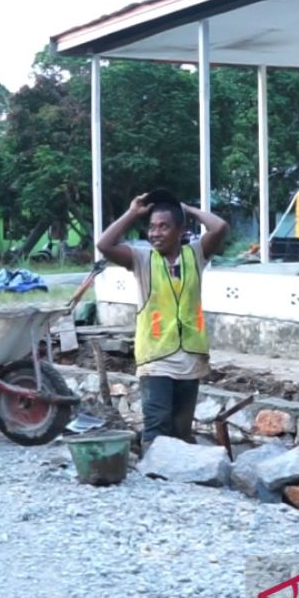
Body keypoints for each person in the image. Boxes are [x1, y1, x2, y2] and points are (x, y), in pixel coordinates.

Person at [97, 189, 229, 448]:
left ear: (180, 230)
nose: (155, 232)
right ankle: (153, 478)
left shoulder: (196, 254)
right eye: (152, 226)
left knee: (181, 430)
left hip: (190, 356)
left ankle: (176, 481)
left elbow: (220, 227)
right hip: (156, 357)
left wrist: (188, 209)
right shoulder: (142, 259)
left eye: (164, 226)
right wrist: (132, 213)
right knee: (156, 427)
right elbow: (104, 244)